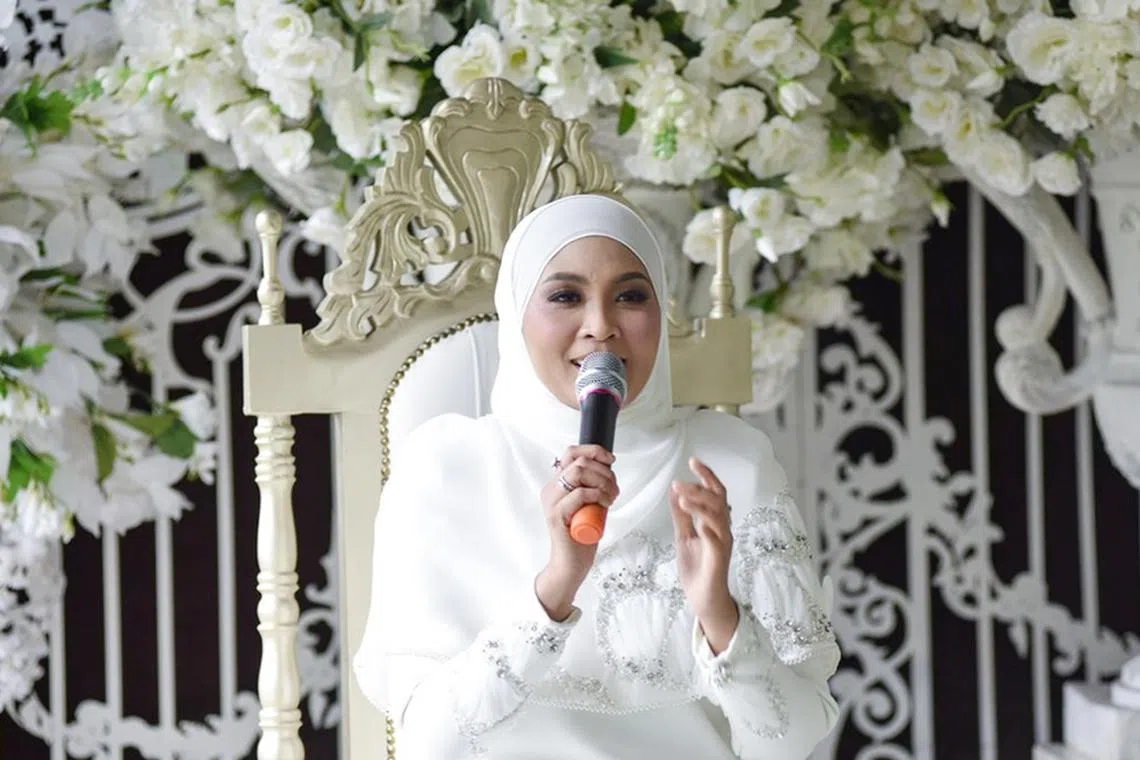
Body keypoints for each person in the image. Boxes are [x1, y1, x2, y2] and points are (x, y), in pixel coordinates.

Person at [353, 194, 840, 759]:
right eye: (566, 296)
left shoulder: (730, 463)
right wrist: (556, 585)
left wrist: (719, 616)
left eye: (630, 296)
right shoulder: (446, 469)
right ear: (516, 313)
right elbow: (429, 745)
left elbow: (791, 745)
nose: (601, 327)